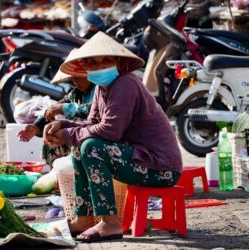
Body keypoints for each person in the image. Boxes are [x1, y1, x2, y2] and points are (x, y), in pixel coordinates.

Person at [43, 31, 183, 242]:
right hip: (139, 159)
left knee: (91, 147)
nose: (99, 66)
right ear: (85, 67)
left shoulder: (125, 83)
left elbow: (109, 131)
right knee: (80, 147)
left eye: (105, 61)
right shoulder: (102, 88)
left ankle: (110, 223)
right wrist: (62, 124)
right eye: (93, 62)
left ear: (117, 62)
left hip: (161, 167)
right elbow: (91, 124)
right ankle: (84, 218)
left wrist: (67, 134)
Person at [18, 49, 95, 166]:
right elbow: (54, 108)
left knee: (64, 128)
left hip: (95, 136)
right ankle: (57, 172)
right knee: (51, 129)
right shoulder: (76, 93)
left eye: (78, 77)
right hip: (80, 136)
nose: (75, 82)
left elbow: (94, 110)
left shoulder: (99, 90)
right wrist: (36, 126)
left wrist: (65, 108)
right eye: (72, 78)